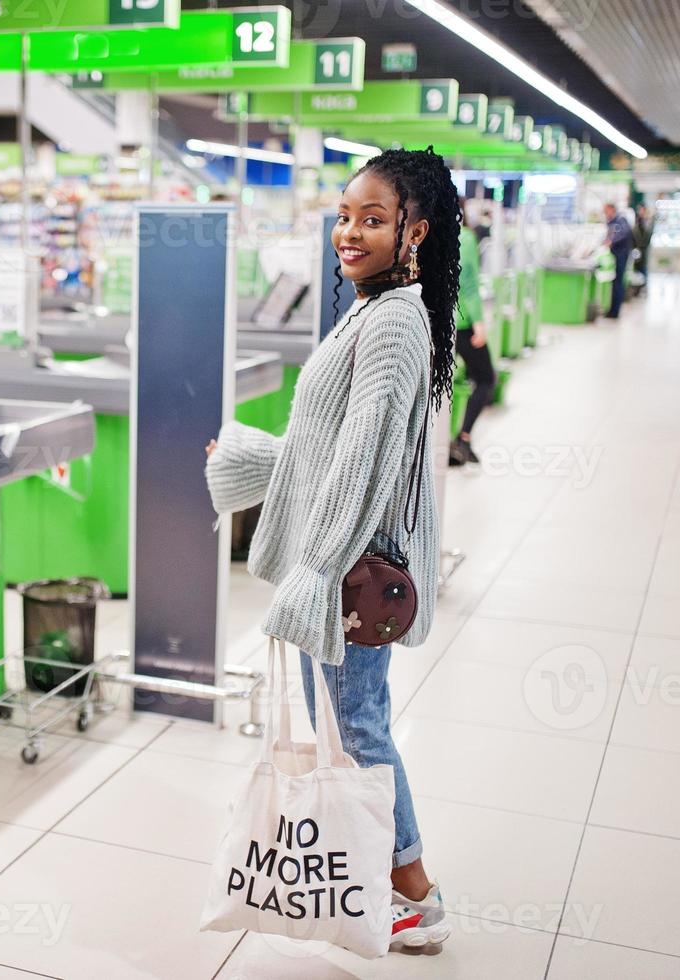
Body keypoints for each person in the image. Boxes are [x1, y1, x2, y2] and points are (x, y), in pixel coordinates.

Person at [204, 148, 456, 951]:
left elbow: (357, 467)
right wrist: (243, 458)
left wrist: (313, 574)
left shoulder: (390, 323)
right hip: (346, 562)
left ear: (414, 230)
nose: (349, 232)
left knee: (358, 726)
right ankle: (394, 878)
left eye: (372, 219)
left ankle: (412, 889)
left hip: (349, 571)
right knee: (348, 723)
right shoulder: (370, 309)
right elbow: (327, 443)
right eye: (345, 215)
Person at [451, 206, 495, 465]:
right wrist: (479, 322)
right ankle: (463, 439)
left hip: (434, 321)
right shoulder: (464, 237)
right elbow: (467, 284)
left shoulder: (424, 236)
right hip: (462, 323)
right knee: (485, 378)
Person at [603, 203, 634, 318]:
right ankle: (612, 310)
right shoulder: (612, 222)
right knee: (616, 282)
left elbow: (622, 234)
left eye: (606, 211)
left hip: (621, 255)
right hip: (616, 255)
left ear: (611, 209)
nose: (605, 214)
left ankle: (615, 311)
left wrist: (611, 241)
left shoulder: (621, 220)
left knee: (618, 283)